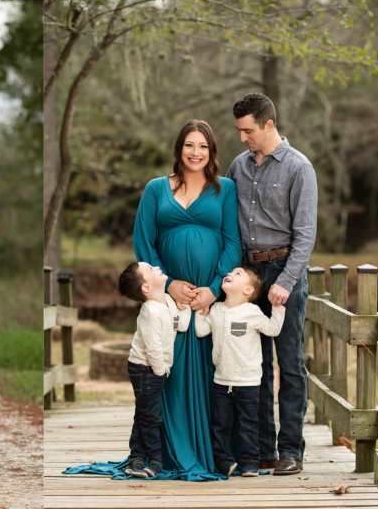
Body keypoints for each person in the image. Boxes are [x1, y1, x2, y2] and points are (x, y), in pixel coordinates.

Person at [64, 119, 241, 481]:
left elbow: (232, 243)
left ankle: (211, 450)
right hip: (168, 303)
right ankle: (162, 452)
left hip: (206, 304)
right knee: (165, 376)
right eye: (189, 145)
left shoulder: (225, 189)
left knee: (210, 376)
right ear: (178, 149)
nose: (195, 152)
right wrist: (171, 285)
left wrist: (212, 288)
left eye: (203, 146)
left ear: (212, 152)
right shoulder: (155, 189)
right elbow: (144, 244)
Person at [226, 92, 317, 475]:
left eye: (248, 130)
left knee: (290, 364)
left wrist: (287, 280)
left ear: (268, 124)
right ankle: (262, 449)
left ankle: (290, 450)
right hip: (249, 273)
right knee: (255, 364)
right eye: (239, 131)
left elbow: (306, 233)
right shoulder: (238, 166)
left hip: (284, 270)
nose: (242, 138)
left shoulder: (299, 168)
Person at [195, 266, 286, 478]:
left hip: (248, 382)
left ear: (247, 290)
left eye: (237, 274)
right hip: (221, 380)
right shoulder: (216, 309)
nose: (229, 274)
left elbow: (272, 330)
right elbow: (201, 330)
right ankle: (223, 460)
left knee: (248, 425)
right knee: (220, 425)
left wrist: (278, 309)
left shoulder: (252, 312)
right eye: (230, 273)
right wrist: (202, 312)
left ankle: (250, 462)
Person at [116, 261, 192, 478]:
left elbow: (182, 325)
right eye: (150, 269)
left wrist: (183, 306)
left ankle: (136, 457)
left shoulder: (168, 300)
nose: (157, 267)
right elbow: (152, 346)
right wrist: (160, 372)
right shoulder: (150, 310)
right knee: (150, 416)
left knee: (144, 412)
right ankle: (155, 460)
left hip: (154, 369)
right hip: (144, 369)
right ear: (146, 288)